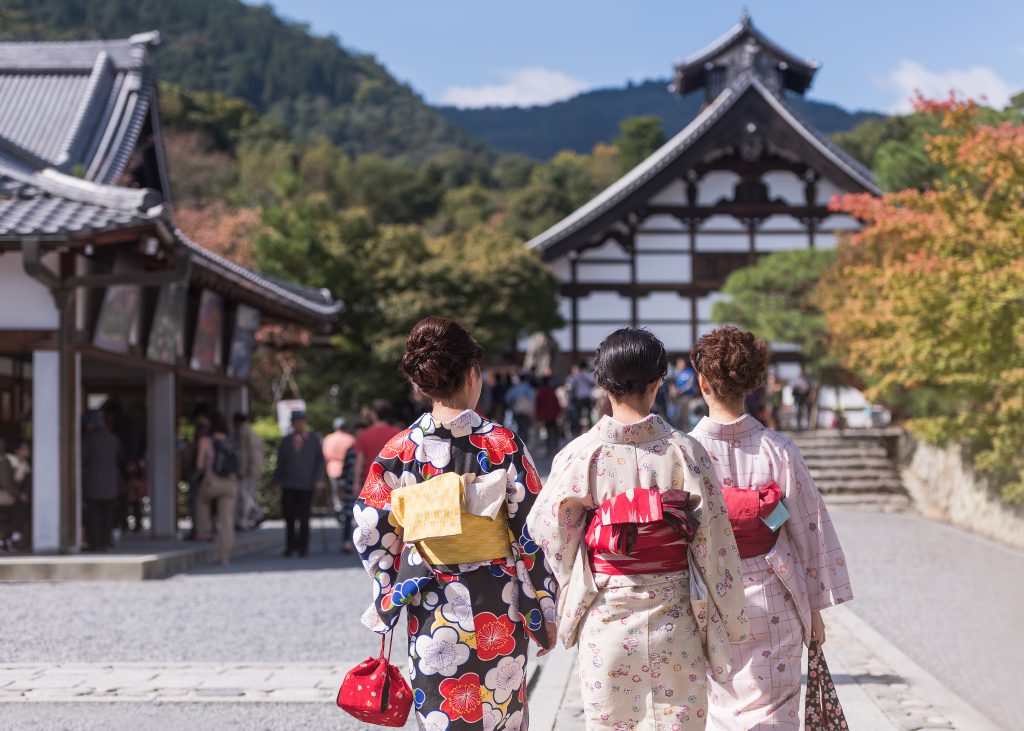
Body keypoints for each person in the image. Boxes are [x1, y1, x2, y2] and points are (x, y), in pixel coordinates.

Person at [528, 327, 749, 731]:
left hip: (607, 616)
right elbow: (715, 541)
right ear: (657, 382)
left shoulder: (580, 454)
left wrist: (558, 601)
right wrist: (732, 617)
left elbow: (550, 536)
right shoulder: (685, 451)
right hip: (675, 616)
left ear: (601, 383)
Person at [355, 316, 557, 731]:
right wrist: (544, 605)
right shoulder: (502, 445)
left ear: (421, 384)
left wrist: (396, 583)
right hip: (498, 605)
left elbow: (369, 532)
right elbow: (535, 531)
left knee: (442, 714)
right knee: (500, 713)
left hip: (432, 605)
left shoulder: (399, 451)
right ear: (471, 374)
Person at [688, 326, 853, 729]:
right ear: (755, 382)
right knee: (776, 708)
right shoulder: (779, 449)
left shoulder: (683, 453)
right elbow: (809, 530)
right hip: (775, 592)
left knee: (720, 706)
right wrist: (814, 608)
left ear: (702, 382)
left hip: (710, 594)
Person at [272, 411, 326, 557]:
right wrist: (276, 481)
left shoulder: (314, 440)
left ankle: (303, 547)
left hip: (307, 484)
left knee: (304, 517)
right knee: (289, 517)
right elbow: (280, 463)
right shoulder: (286, 441)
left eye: (301, 421)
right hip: (288, 483)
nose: (298, 424)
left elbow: (320, 461)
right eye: (296, 422)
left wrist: (319, 479)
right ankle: (290, 546)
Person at [195, 412, 240, 566]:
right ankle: (225, 555)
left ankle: (205, 530)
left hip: (212, 482)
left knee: (201, 502)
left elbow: (200, 464)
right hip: (231, 483)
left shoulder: (206, 440)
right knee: (226, 520)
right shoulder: (231, 440)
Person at [81, 410, 121, 552]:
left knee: (93, 515)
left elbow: (82, 459)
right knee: (107, 514)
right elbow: (118, 458)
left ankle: (94, 543)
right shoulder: (113, 438)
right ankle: (106, 541)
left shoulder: (89, 439)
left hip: (93, 482)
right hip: (110, 482)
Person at [322, 416, 357, 553]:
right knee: (346, 494)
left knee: (335, 493)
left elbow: (325, 454)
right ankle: (343, 510)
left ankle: (338, 509)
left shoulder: (328, 438)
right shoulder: (350, 439)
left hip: (332, 466)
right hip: (345, 467)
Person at [352, 400, 400, 489]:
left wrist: (356, 482)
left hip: (371, 481)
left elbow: (360, 461)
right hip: (393, 481)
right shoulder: (397, 434)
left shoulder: (364, 435)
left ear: (374, 414)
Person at [233, 413, 266, 530]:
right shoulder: (252, 431)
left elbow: (244, 453)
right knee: (247, 494)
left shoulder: (243, 432)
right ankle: (255, 515)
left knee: (245, 495)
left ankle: (246, 519)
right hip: (255, 467)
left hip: (248, 469)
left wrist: (241, 470)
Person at [0, 438, 31, 552]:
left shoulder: (26, 466)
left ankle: (8, 539)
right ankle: (10, 539)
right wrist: (19, 495)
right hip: (5, 496)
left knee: (22, 509)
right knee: (20, 509)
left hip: (12, 498)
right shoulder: (6, 461)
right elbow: (6, 483)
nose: (28, 450)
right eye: (24, 448)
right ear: (17, 450)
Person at [504, 371, 536, 440]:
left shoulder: (516, 388)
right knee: (525, 430)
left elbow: (508, 398)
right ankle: (524, 445)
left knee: (518, 429)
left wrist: (513, 405)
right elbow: (534, 399)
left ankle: (518, 444)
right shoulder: (530, 388)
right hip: (527, 413)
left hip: (517, 412)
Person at [566, 361, 596, 436]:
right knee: (588, 414)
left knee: (580, 415)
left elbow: (570, 386)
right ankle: (590, 429)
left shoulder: (575, 376)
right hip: (587, 397)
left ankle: (579, 431)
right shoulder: (587, 374)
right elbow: (593, 382)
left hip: (580, 397)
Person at [535, 375, 562, 455]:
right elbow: (556, 402)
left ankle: (549, 448)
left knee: (548, 431)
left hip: (545, 415)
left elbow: (538, 404)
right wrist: (558, 412)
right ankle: (554, 447)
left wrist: (538, 415)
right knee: (554, 431)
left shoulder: (540, 392)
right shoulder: (551, 391)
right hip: (553, 414)